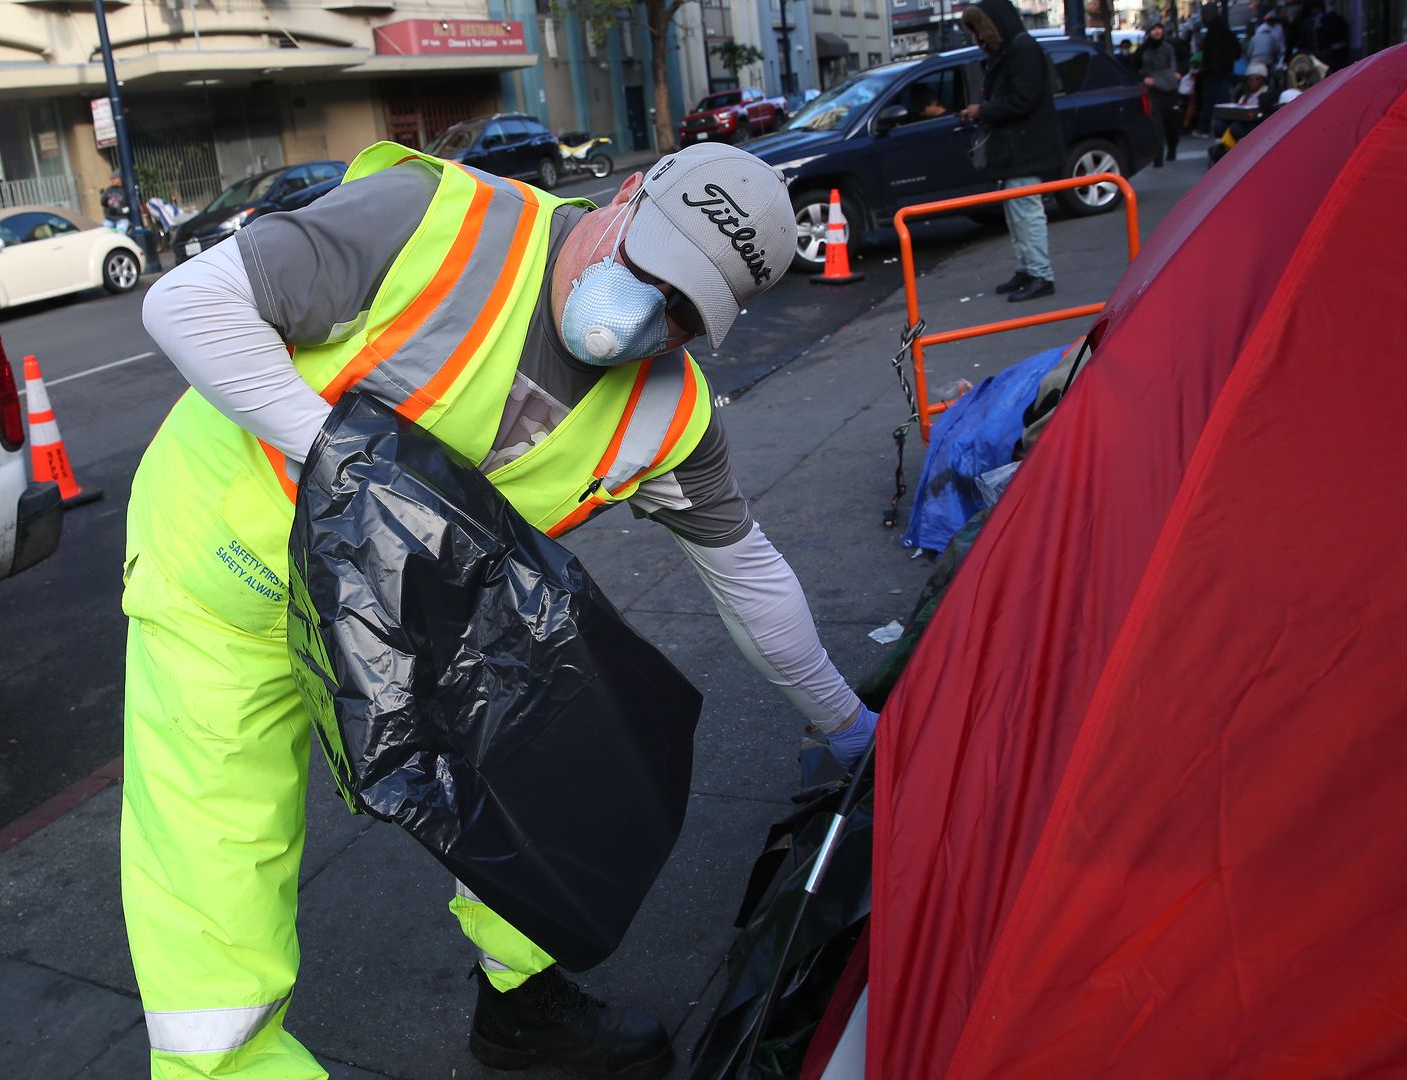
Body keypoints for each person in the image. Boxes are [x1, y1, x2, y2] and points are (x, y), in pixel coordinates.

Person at [124, 140, 879, 1079]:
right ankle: (228, 1065)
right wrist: (351, 463)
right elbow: (188, 302)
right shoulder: (438, 227)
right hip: (225, 579)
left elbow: (747, 571)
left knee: (555, 768)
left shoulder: (666, 418)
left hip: (421, 623)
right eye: (651, 273)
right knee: (214, 867)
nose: (647, 316)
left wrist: (844, 720)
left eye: (685, 312)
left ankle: (525, 1008)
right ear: (626, 196)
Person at [959, 0, 1065, 303]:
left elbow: (1023, 100)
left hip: (1023, 147)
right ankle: (1029, 268)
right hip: (1017, 146)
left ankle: (1039, 272)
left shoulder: (1020, 51)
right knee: (1017, 212)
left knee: (1025, 212)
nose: (979, 37)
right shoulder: (1015, 49)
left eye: (980, 29)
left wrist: (983, 110)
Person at [1138, 20, 1184, 165]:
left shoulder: (1171, 46)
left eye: (1159, 28)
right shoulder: (1143, 50)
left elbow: (1184, 59)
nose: (1157, 32)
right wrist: (1144, 78)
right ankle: (1158, 157)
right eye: (1154, 29)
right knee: (1157, 126)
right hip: (1154, 91)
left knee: (1172, 123)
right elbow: (1134, 67)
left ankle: (1171, 150)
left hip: (1170, 90)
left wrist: (1179, 73)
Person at [1198, 2, 1242, 134]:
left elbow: (1213, 56)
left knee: (1213, 101)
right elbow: (1237, 49)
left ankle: (1209, 129)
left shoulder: (1213, 32)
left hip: (1215, 74)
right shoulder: (1223, 28)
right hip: (1223, 71)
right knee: (1223, 101)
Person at [1248, 9, 1287, 76]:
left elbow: (1281, 42)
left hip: (1269, 56)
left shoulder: (1278, 27)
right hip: (1268, 57)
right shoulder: (1261, 29)